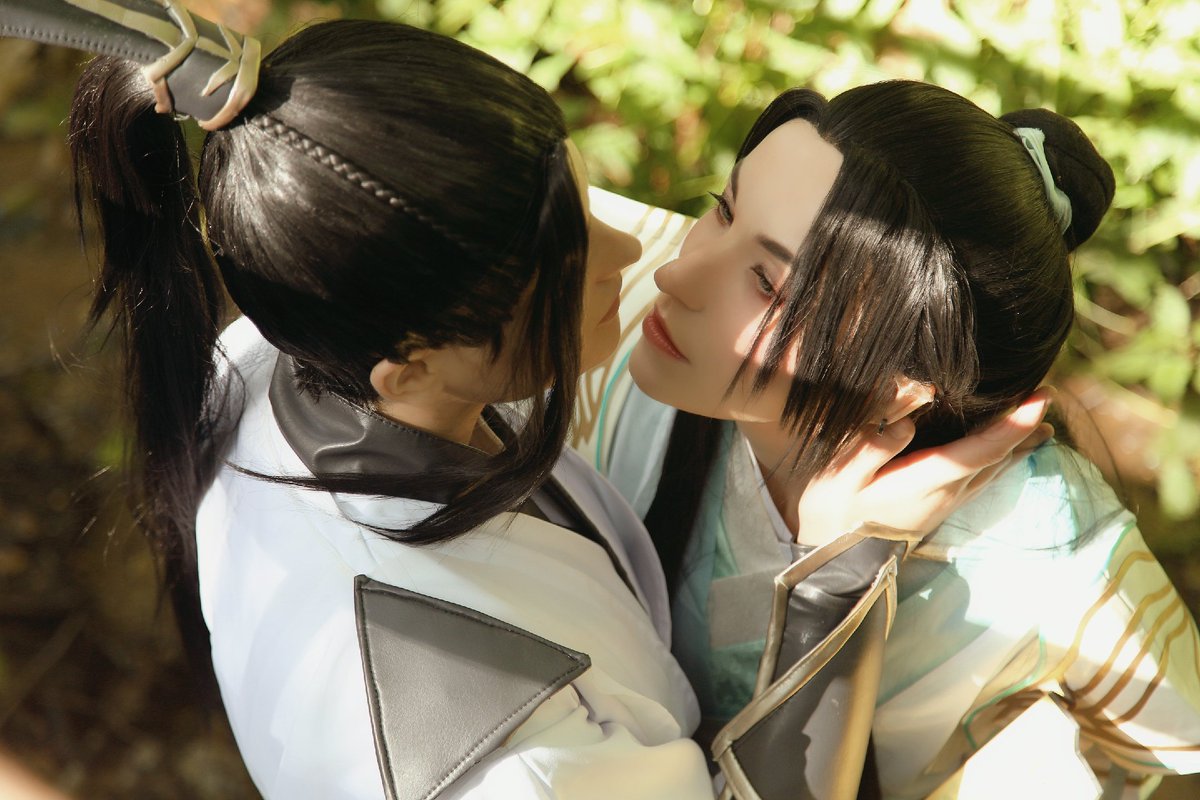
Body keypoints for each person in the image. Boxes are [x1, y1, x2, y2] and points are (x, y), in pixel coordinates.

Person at [6, 3, 1049, 797]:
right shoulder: (504, 753)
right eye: (566, 262)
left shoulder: (290, 345)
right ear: (411, 365)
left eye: (582, 206)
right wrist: (838, 576)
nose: (641, 254)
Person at [578, 81, 1200, 799]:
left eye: (767, 285)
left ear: (902, 389)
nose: (675, 272)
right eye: (723, 209)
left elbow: (1180, 749)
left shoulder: (1040, 546)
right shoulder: (615, 313)